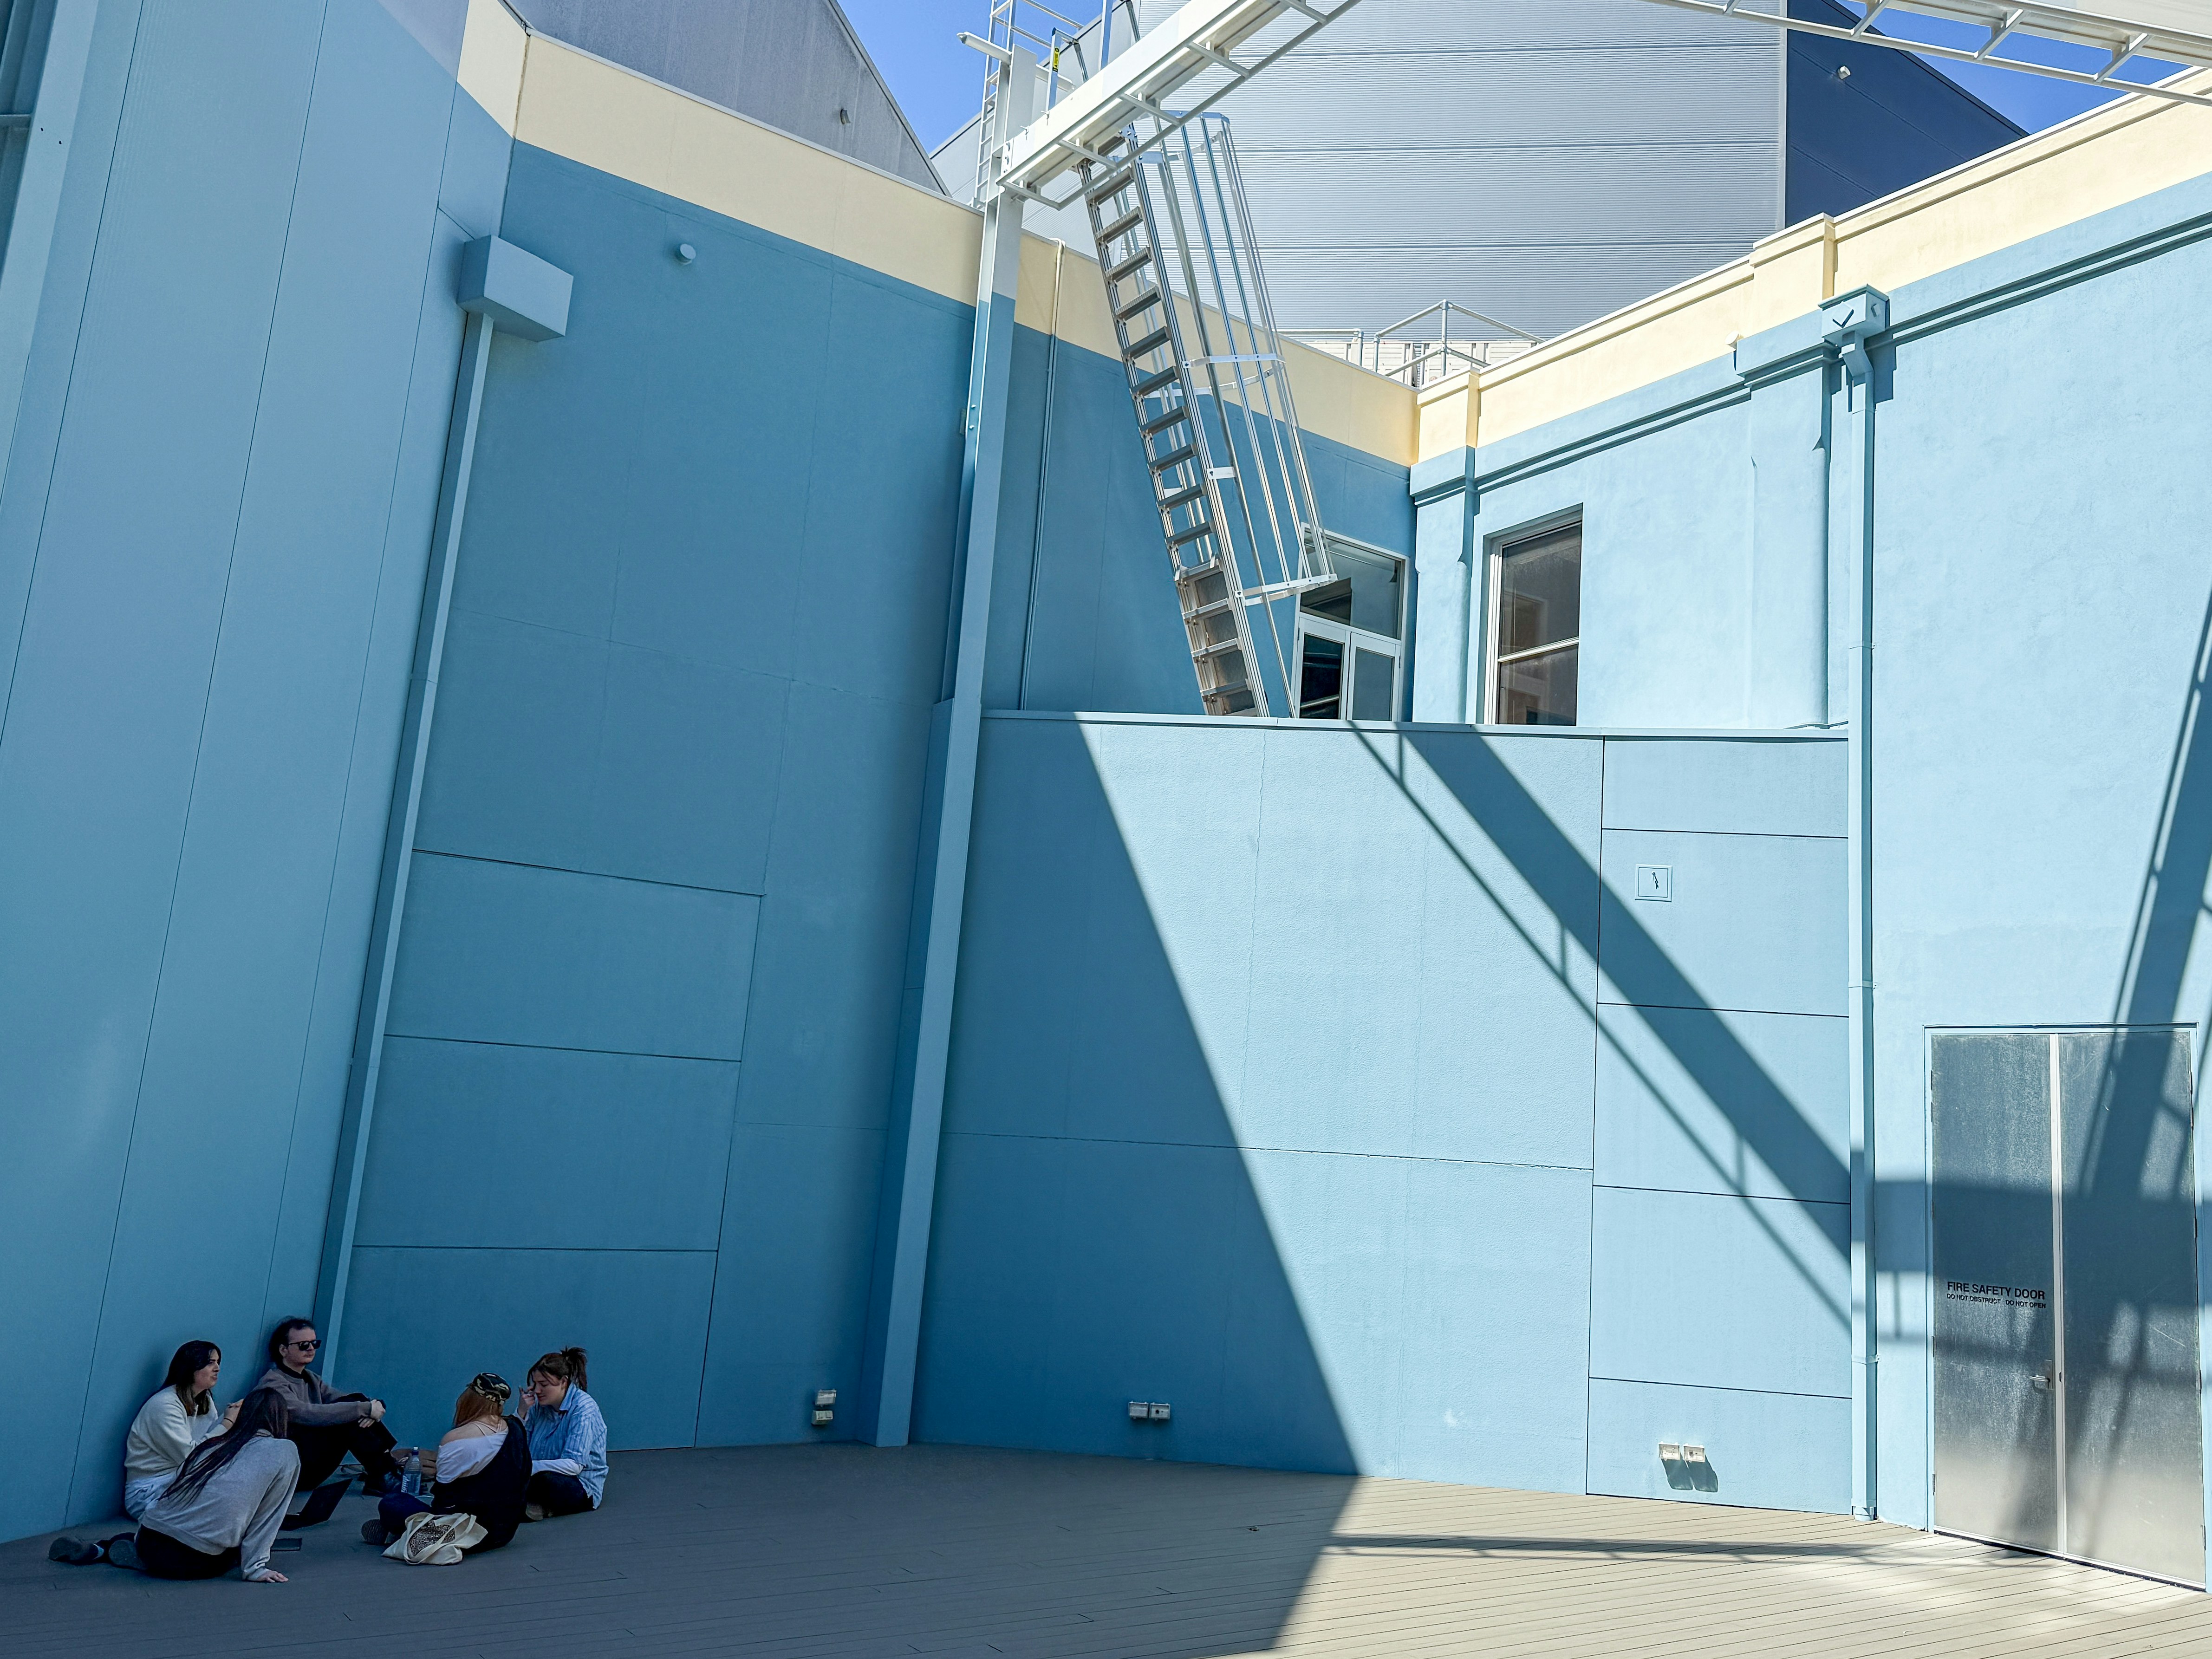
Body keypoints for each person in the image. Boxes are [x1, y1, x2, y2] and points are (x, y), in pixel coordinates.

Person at [130, 1386, 299, 1581]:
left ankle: (124, 1549)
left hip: (147, 1539)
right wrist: (256, 1568)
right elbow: (269, 1514)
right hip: (192, 1559)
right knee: (235, 1550)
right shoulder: (284, 1451)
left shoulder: (214, 1444)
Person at [361, 1373, 530, 1554]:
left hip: (463, 1530)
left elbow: (445, 1503)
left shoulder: (456, 1439)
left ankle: (405, 1533)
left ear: (469, 1399)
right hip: (504, 1532)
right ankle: (406, 1533)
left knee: (393, 1502)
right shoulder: (516, 1429)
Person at [254, 1316, 400, 1503]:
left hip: (312, 1462)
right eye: (303, 1345)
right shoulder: (273, 1384)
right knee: (349, 1415)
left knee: (355, 1403)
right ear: (283, 1350)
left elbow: (344, 1400)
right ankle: (384, 1473)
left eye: (315, 1344)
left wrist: (374, 1406)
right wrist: (366, 1409)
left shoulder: (310, 1378)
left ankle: (384, 1472)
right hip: (294, 1469)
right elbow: (307, 1413)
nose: (311, 1349)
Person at [122, 1341, 238, 1520]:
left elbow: (213, 1445)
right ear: (191, 1368)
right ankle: (109, 1547)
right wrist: (228, 1422)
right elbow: (190, 1456)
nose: (217, 1368)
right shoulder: (165, 1405)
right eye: (210, 1363)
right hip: (148, 1491)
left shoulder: (203, 1399)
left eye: (218, 1362)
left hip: (179, 1480)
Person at [519, 1347, 607, 1519]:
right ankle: (534, 1507)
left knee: (545, 1481)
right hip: (536, 1474)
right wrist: (521, 1413)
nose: (537, 1391)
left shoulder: (584, 1409)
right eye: (535, 1384)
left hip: (578, 1485)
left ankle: (537, 1507)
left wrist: (530, 1468)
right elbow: (520, 1447)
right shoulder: (538, 1406)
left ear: (564, 1382)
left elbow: (575, 1465)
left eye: (544, 1385)